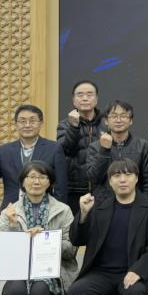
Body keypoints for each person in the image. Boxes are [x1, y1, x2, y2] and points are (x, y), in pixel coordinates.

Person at [66, 159, 148, 295]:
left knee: (136, 292)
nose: (122, 180)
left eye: (128, 174)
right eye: (117, 175)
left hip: (133, 270)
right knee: (76, 292)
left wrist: (138, 271)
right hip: (102, 273)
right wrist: (83, 214)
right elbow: (77, 240)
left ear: (136, 178)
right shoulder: (99, 208)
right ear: (110, 181)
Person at [0, 161, 77, 295]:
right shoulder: (9, 212)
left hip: (51, 270)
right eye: (31, 177)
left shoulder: (63, 210)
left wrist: (46, 238)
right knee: (15, 292)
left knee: (40, 292)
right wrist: (13, 226)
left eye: (42, 177)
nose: (36, 181)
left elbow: (71, 249)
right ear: (23, 182)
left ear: (49, 182)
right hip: (16, 270)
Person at [0, 105, 67, 210]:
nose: (27, 125)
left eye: (32, 121)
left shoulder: (54, 148)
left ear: (41, 123)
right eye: (22, 121)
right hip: (11, 210)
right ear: (16, 124)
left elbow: (61, 186)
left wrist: (58, 211)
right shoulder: (4, 150)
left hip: (44, 210)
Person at [86, 100, 148, 204]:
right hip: (104, 205)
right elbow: (93, 178)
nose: (118, 120)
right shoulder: (95, 147)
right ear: (106, 121)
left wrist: (146, 205)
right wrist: (104, 150)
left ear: (131, 121)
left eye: (123, 116)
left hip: (136, 204)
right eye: (114, 116)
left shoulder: (143, 146)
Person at [56, 80, 106, 215]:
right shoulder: (65, 125)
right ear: (74, 100)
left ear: (96, 99)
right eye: (80, 95)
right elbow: (65, 150)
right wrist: (74, 127)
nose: (85, 98)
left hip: (102, 189)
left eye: (89, 94)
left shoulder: (106, 124)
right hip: (74, 189)